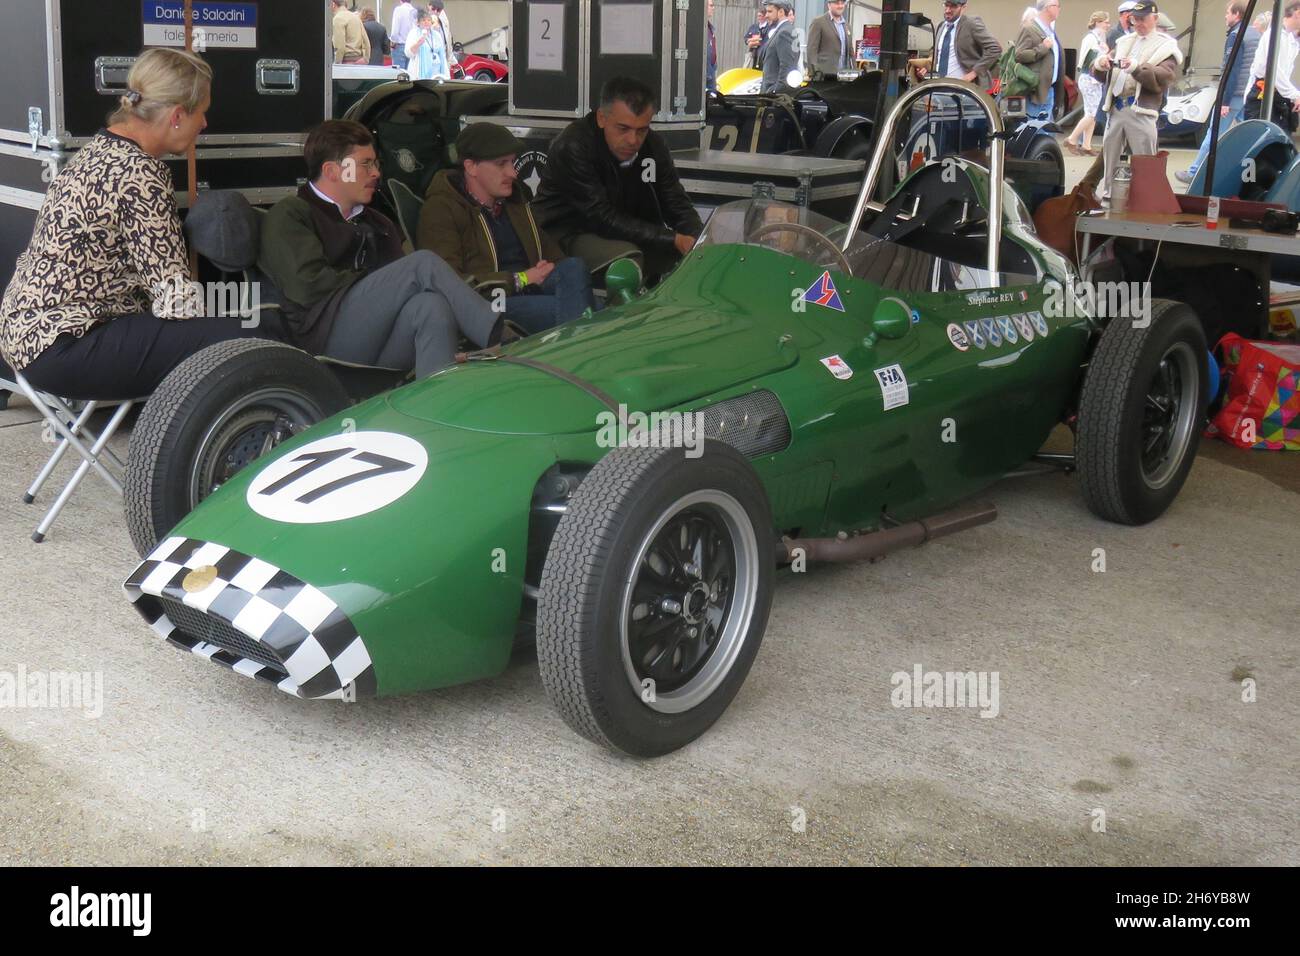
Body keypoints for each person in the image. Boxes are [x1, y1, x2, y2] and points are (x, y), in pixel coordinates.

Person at [0, 49, 262, 400]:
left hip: (23, 335)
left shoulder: (98, 148)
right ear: (177, 115)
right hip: (69, 343)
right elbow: (174, 297)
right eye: (202, 113)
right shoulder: (141, 173)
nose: (204, 124)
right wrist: (230, 317)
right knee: (249, 338)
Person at [257, 120, 500, 378]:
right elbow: (307, 286)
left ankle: (436, 409)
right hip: (321, 341)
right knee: (422, 264)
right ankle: (498, 338)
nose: (376, 173)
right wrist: (375, 284)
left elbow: (399, 286)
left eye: (376, 164)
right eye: (365, 164)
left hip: (377, 342)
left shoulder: (378, 222)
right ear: (331, 171)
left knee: (431, 306)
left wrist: (385, 287)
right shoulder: (291, 214)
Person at [419, 125, 593, 335]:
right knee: (592, 311)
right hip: (490, 303)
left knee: (574, 267)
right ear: (471, 167)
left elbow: (554, 257)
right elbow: (450, 283)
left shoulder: (515, 200)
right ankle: (575, 350)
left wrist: (544, 270)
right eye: (501, 164)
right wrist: (520, 280)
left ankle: (572, 347)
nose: (513, 172)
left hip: (531, 288)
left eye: (512, 162)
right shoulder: (442, 209)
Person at [532, 76, 704, 283]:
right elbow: (600, 217)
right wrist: (673, 238)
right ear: (601, 118)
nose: (633, 140)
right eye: (623, 129)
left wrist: (699, 239)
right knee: (627, 259)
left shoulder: (653, 145)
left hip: (621, 230)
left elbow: (676, 202)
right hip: (564, 233)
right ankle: (622, 315)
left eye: (642, 130)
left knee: (688, 257)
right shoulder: (573, 146)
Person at [1093, 0, 1182, 203]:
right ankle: (1109, 196)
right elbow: (1101, 69)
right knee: (1110, 158)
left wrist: (1136, 68)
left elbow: (1164, 77)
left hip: (1142, 110)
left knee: (1145, 162)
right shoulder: (1125, 42)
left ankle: (1147, 200)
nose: (1139, 24)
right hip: (1117, 107)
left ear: (1155, 19)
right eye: (1135, 20)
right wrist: (1101, 63)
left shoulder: (1165, 45)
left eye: (1143, 19)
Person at [1177, 1, 1260, 183]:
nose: (1225, 16)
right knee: (1253, 135)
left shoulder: (1236, 35)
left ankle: (1194, 172)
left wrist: (1225, 100)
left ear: (1236, 14)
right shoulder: (1255, 34)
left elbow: (1232, 69)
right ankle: (1252, 175)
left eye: (1227, 13)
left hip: (1233, 95)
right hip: (1248, 94)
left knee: (1213, 133)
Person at [1243, 0, 1300, 130]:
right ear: (1297, 13)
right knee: (1260, 139)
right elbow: (1275, 72)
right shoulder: (1275, 35)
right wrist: (1294, 95)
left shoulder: (1289, 39)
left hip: (1275, 94)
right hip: (1263, 93)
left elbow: (1282, 73)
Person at [918, 0, 1001, 87]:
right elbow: (940, 58)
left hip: (966, 90)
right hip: (940, 87)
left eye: (953, 6)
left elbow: (995, 48)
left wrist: (973, 74)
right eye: (946, 5)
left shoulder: (971, 24)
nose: (947, 10)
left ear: (963, 7)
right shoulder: (941, 26)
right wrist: (926, 71)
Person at [1066, 11, 1110, 155]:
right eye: (1106, 22)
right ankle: (1072, 138)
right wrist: (1102, 53)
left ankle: (1086, 144)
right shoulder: (1091, 38)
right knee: (1092, 113)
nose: (1108, 25)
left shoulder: (1097, 38)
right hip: (1089, 78)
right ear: (1098, 22)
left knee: (1091, 112)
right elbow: (1086, 60)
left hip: (1093, 79)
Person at [1015, 0, 1063, 119]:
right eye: (1057, 6)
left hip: (1050, 89)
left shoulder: (1050, 31)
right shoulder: (1029, 28)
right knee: (1032, 131)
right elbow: (1019, 55)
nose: (1059, 9)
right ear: (1047, 8)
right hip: (1035, 92)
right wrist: (1043, 48)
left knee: (1045, 133)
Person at [808, 0, 855, 78]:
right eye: (837, 3)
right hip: (824, 76)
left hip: (844, 76)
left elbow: (851, 52)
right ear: (829, 5)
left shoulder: (847, 26)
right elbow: (811, 50)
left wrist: (854, 71)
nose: (840, 6)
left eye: (842, 3)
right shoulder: (818, 22)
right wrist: (813, 73)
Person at [760, 1, 799, 93]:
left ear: (781, 12)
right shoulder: (782, 30)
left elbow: (787, 67)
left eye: (770, 12)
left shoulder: (785, 32)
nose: (766, 15)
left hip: (775, 98)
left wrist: (774, 91)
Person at [406, 7, 450, 81]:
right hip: (420, 73)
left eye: (429, 20)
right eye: (423, 20)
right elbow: (408, 53)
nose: (426, 22)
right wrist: (418, 43)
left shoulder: (436, 35)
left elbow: (442, 54)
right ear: (418, 22)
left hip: (436, 71)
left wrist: (445, 74)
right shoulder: (414, 33)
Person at [331, 0, 371, 65]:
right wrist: (366, 58)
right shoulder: (356, 17)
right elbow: (366, 41)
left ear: (333, 4)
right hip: (359, 60)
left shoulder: (337, 19)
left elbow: (339, 46)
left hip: (346, 61)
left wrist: (337, 63)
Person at [390, 0, 416, 69]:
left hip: (400, 45)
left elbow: (395, 31)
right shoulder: (415, 11)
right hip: (412, 46)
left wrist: (393, 42)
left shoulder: (398, 10)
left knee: (399, 75)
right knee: (410, 75)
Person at [744, 4, 771, 69]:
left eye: (760, 16)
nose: (758, 18)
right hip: (753, 56)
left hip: (763, 57)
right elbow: (746, 38)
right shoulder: (753, 27)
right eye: (758, 16)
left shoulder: (769, 28)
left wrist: (760, 41)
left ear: (765, 16)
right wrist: (749, 41)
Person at [707, 0, 718, 91]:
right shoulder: (702, 28)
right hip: (706, 77)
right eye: (711, 5)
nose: (713, 8)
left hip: (711, 74)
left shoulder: (709, 28)